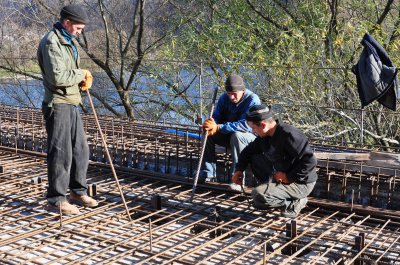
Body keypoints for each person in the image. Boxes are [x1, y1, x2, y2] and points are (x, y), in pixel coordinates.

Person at [37, 4, 97, 215]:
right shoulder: (52, 43)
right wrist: (81, 74)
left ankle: (77, 192)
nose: (80, 33)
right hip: (58, 103)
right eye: (78, 28)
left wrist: (79, 81)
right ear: (67, 22)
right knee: (61, 153)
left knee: (81, 150)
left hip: (71, 101)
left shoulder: (68, 41)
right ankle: (56, 199)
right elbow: (57, 77)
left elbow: (68, 73)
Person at [231, 104, 318, 218]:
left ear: (263, 125)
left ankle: (293, 203)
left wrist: (288, 177)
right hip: (281, 175)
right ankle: (273, 192)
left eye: (253, 128)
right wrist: (239, 170)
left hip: (301, 182)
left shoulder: (289, 135)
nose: (253, 131)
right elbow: (247, 152)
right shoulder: (265, 137)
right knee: (254, 157)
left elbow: (310, 161)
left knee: (257, 196)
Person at [201, 74, 261, 184]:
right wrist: (211, 123)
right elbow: (216, 116)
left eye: (234, 94)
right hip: (230, 136)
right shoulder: (224, 98)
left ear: (242, 90)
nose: (231, 97)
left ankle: (237, 178)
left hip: (249, 139)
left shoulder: (253, 100)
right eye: (229, 94)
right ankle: (208, 174)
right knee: (207, 133)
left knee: (237, 136)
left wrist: (219, 127)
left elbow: (245, 125)